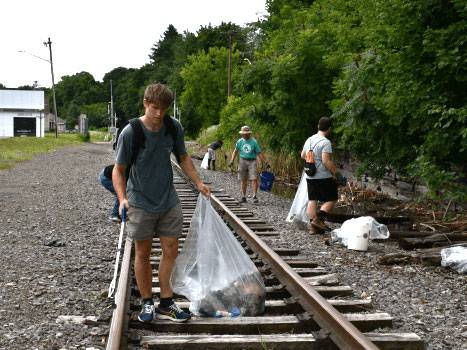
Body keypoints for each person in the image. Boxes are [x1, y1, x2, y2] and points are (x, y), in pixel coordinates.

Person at [113, 83, 210, 323]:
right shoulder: (131, 132)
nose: (159, 113)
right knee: (143, 253)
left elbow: (183, 156)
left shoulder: (172, 127)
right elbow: (119, 169)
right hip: (139, 202)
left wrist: (198, 182)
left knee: (170, 251)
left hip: (168, 200)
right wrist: (122, 198)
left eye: (163, 109)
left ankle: (166, 302)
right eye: (155, 108)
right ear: (146, 103)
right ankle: (147, 302)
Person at [301, 117, 338, 234]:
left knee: (312, 199)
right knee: (332, 199)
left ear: (318, 126)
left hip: (310, 175)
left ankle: (313, 226)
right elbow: (326, 161)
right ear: (329, 129)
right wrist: (336, 173)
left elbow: (302, 155)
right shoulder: (325, 142)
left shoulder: (309, 139)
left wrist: (312, 158)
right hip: (323, 176)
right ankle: (318, 220)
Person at [229, 125, 267, 203]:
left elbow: (259, 152)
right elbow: (235, 151)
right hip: (242, 160)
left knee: (254, 178)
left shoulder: (254, 142)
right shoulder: (240, 141)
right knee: (243, 179)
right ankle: (243, 196)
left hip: (252, 161)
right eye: (243, 133)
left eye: (246, 133)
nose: (245, 135)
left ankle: (254, 196)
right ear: (242, 134)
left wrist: (265, 162)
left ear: (249, 133)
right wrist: (232, 160)